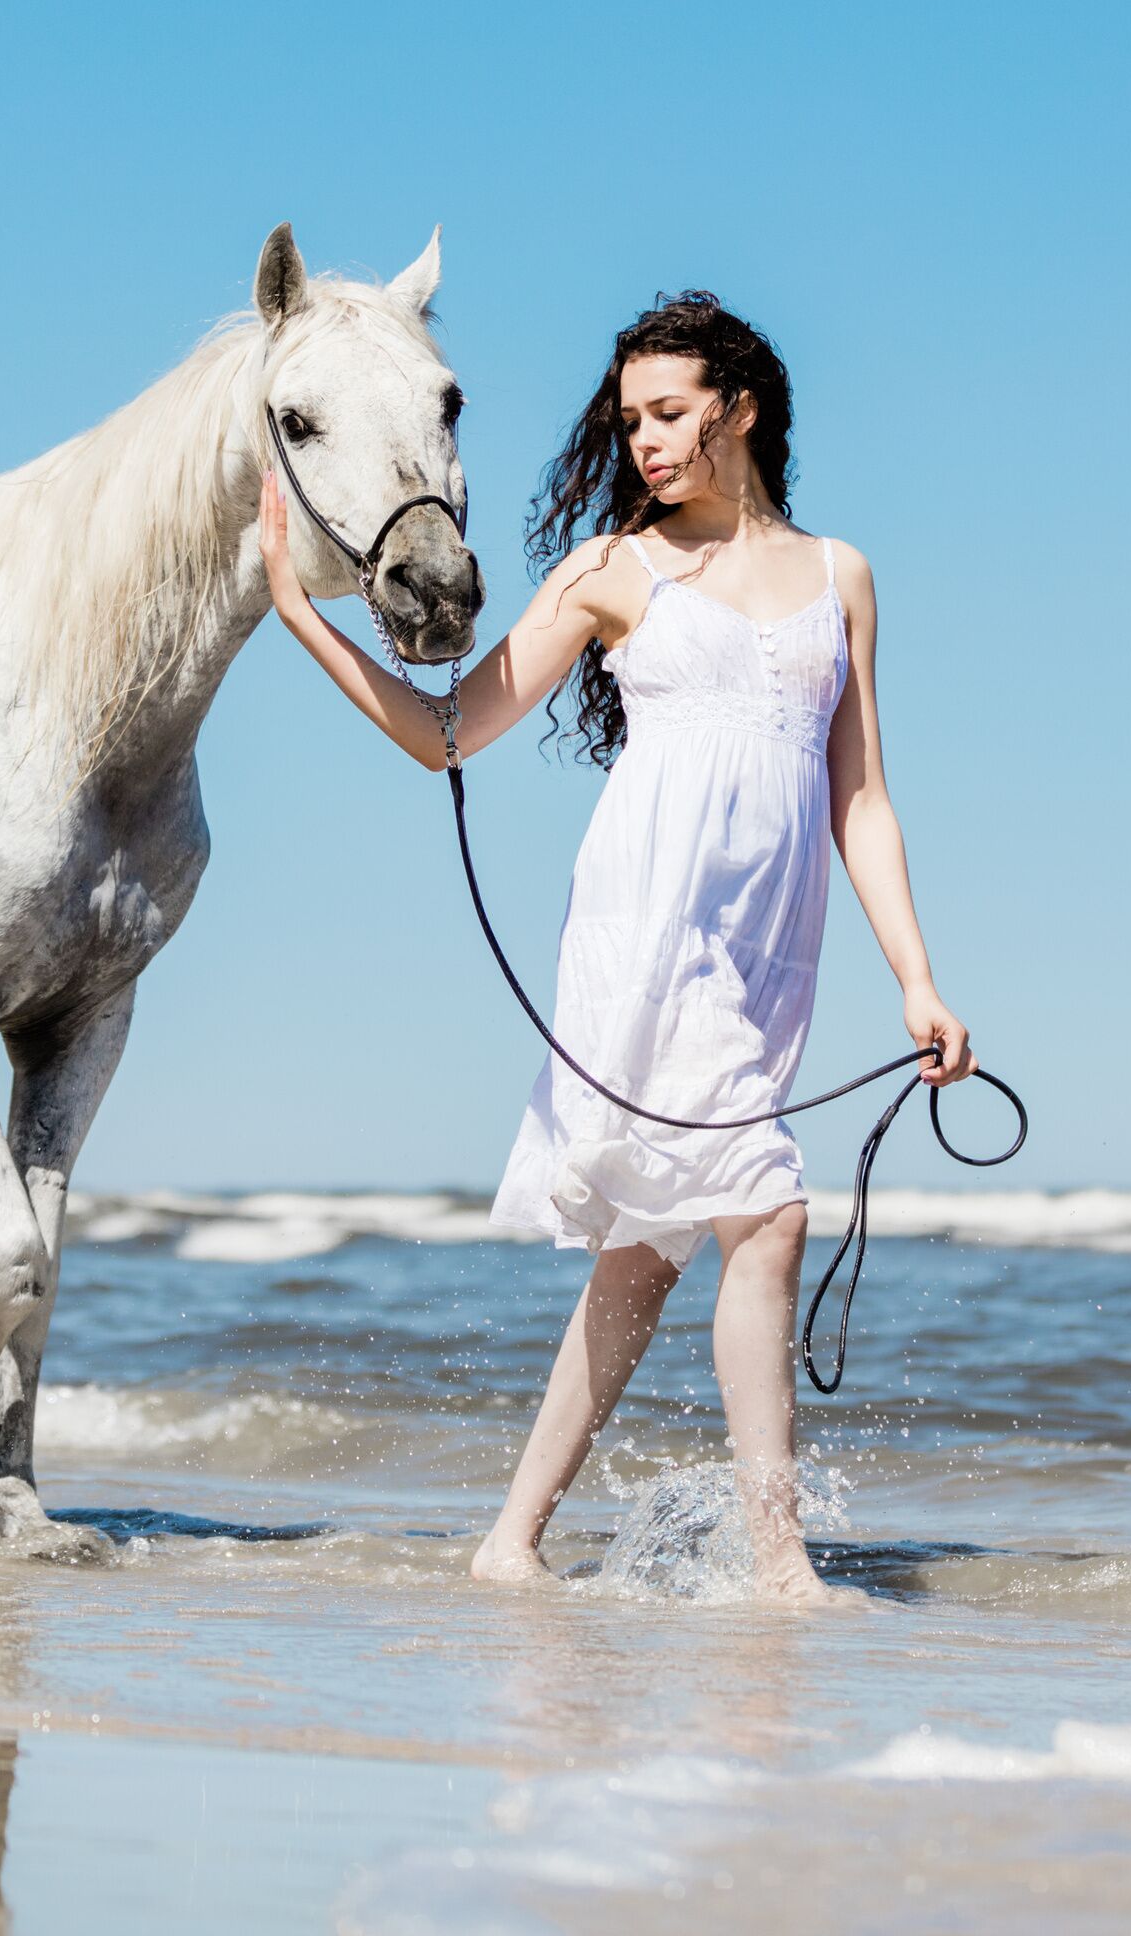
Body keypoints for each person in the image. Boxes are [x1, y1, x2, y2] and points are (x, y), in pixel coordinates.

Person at [259, 290, 976, 1607]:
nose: (643, 440)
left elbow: (859, 795)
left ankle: (512, 1540)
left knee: (645, 1254)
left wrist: (919, 981)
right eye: (629, 419)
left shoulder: (840, 577)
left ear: (741, 407)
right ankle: (779, 1563)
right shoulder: (610, 572)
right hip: (646, 933)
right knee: (766, 1212)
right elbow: (448, 734)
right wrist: (307, 621)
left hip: (771, 955)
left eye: (669, 412)